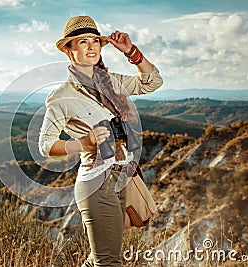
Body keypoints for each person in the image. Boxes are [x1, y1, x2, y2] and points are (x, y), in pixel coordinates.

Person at [38, 16, 163, 267]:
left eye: (95, 41)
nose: (92, 46)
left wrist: (131, 52)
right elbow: (46, 145)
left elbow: (153, 82)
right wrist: (84, 143)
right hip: (96, 182)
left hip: (121, 178)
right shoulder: (62, 96)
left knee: (100, 259)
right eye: (83, 41)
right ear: (68, 50)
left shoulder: (111, 82)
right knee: (109, 262)